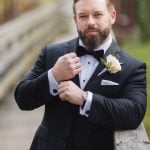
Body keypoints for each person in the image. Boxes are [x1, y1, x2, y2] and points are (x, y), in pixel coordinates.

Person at [14, 0, 147, 150]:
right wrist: (54, 76)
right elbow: (22, 99)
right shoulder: (51, 53)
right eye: (83, 16)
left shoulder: (132, 67)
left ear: (112, 16)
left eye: (97, 15)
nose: (90, 22)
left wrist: (85, 99)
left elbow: (133, 113)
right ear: (75, 20)